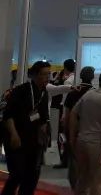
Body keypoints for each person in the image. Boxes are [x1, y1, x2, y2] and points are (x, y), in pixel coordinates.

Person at [1, 61, 51, 195]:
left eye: (49, 74)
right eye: (44, 74)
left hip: (33, 140)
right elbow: (8, 115)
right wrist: (14, 134)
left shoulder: (44, 93)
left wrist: (44, 137)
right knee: (17, 174)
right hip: (16, 137)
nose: (47, 78)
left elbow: (43, 118)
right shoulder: (21, 90)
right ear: (34, 75)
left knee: (33, 174)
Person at [69, 70, 101, 195]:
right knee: (99, 179)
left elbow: (73, 113)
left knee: (83, 178)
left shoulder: (88, 95)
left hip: (81, 142)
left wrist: (72, 138)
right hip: (99, 144)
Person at [63, 66, 95, 190]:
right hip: (90, 131)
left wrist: (66, 130)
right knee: (90, 161)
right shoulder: (94, 93)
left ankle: (75, 187)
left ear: (80, 76)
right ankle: (87, 186)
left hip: (73, 131)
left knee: (74, 161)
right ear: (92, 77)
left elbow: (67, 114)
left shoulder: (73, 92)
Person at [51, 58, 76, 169]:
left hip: (63, 110)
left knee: (61, 135)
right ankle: (66, 159)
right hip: (71, 110)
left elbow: (65, 100)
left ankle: (61, 160)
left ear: (65, 68)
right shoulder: (74, 78)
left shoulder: (68, 81)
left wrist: (64, 115)